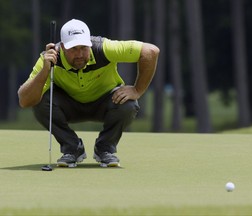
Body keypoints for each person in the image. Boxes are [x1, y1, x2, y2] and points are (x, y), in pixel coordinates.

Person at [18, 19, 160, 168]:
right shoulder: (50, 58)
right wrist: (45, 70)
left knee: (129, 104)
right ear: (63, 47)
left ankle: (105, 149)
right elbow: (24, 100)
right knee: (39, 101)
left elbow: (151, 51)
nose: (79, 54)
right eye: (73, 49)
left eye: (83, 48)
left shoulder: (103, 48)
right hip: (69, 105)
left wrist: (137, 90)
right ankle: (72, 148)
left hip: (106, 103)